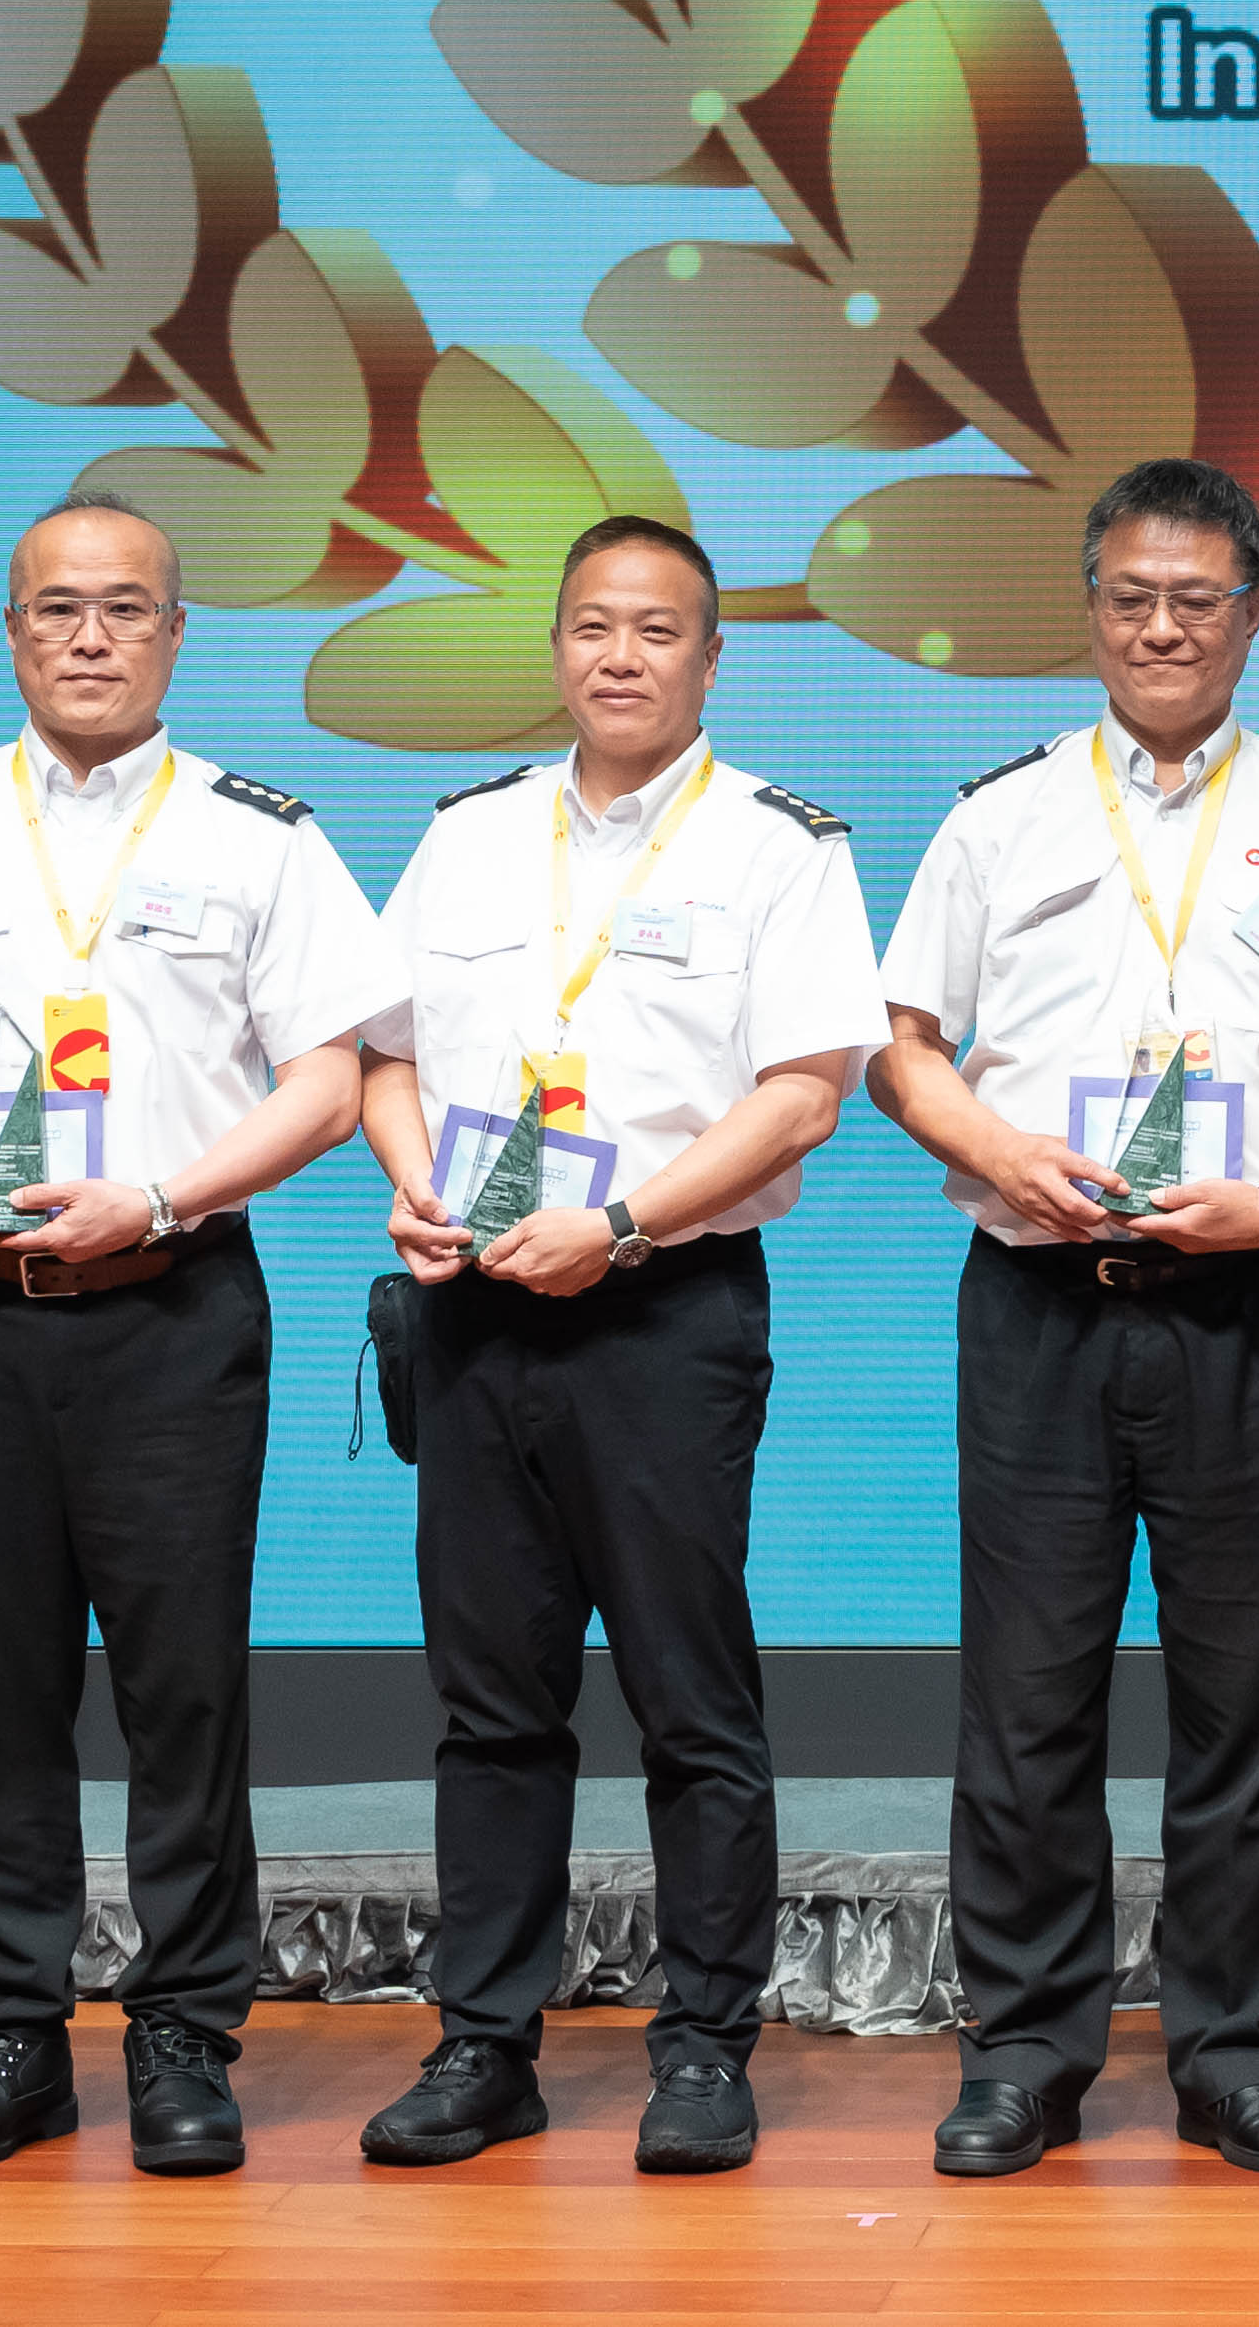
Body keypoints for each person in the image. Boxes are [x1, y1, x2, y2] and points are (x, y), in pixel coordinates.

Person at [0, 499, 401, 2180]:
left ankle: (187, 2035)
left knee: (183, 1687)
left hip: (173, 1308)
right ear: (9, 628)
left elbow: (334, 1082)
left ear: (177, 633)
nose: (90, 635)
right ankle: (8, 2036)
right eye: (57, 607)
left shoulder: (258, 835)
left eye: (127, 607)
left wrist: (167, 1196)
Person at [867, 453, 1259, 2179]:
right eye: (1132, 595)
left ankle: (1236, 2046)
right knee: (1027, 1692)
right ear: (1093, 611)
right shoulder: (1004, 813)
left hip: (1250, 1298)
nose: (1163, 625)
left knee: (1247, 1694)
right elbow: (903, 1040)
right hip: (1042, 1297)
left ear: (1254, 617)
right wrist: (1001, 1150)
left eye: (1199, 597)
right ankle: (1026, 2048)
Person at [343, 511, 881, 2177]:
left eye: (659, 629)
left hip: (661, 1311)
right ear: (557, 648)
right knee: (489, 1703)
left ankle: (706, 2044)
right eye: (592, 625)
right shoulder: (469, 835)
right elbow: (381, 1052)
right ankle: (483, 2044)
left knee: (687, 1698)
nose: (621, 654)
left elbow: (807, 1089)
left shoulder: (779, 847)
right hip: (480, 1305)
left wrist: (629, 1220)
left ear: (711, 658)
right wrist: (419, 1188)